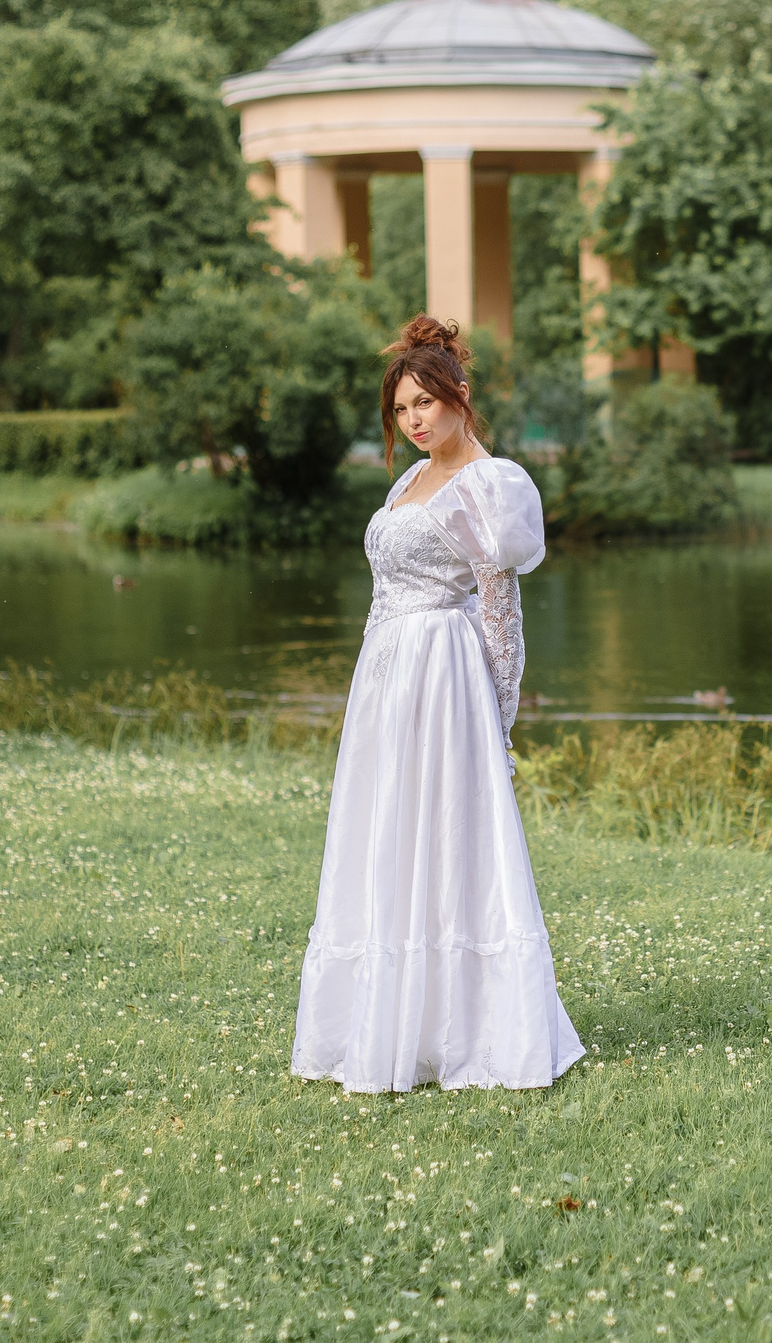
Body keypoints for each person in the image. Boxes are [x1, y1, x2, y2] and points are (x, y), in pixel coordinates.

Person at [289, 315, 585, 1093]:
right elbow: (385, 591)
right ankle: (388, 1024)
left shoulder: (489, 484)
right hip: (388, 674)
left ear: (460, 395)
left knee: (448, 841)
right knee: (385, 834)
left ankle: (476, 1030)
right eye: (401, 410)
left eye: (425, 401)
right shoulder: (405, 482)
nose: (415, 419)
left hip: (446, 676)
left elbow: (500, 606)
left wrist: (498, 712)